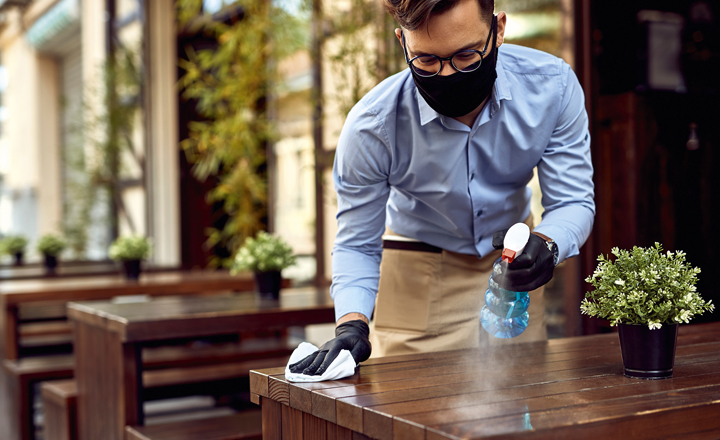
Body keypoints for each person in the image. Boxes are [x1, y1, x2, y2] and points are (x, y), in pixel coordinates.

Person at [290, 0, 595, 376]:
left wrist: (547, 245)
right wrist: (352, 322)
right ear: (403, 41)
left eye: (466, 55)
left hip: (513, 274)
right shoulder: (373, 126)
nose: (448, 75)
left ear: (498, 30)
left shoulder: (553, 88)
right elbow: (356, 242)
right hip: (417, 279)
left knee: (521, 413)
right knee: (407, 421)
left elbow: (574, 201)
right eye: (427, 61)